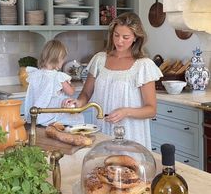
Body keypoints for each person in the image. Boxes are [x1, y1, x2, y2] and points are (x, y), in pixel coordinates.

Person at [64, 12, 162, 149]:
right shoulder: (99, 59)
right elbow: (86, 94)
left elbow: (151, 110)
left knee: (129, 168)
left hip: (130, 134)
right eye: (116, 35)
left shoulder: (143, 65)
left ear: (135, 38)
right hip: (102, 130)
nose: (119, 41)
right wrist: (77, 103)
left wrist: (126, 112)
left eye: (125, 37)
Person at [24, 39, 84, 126]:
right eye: (63, 59)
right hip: (55, 116)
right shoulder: (58, 76)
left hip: (38, 117)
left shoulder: (35, 74)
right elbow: (70, 92)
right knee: (78, 118)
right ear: (58, 59)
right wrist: (72, 85)